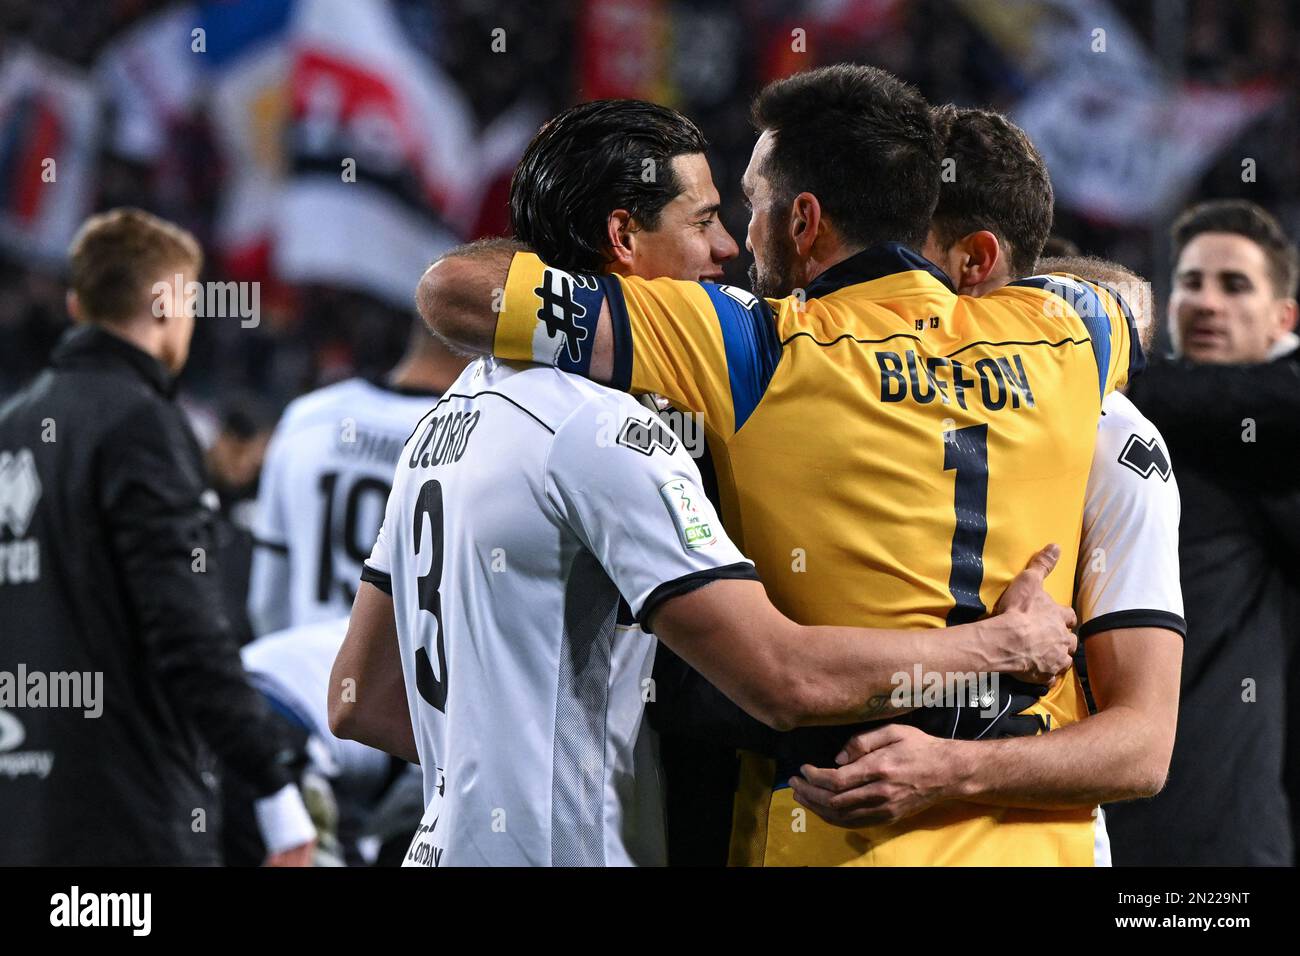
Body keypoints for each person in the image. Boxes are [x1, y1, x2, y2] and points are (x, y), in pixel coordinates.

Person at [419, 65, 1143, 866]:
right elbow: (1127, 299)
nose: (734, 241)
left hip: (844, 827)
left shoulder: (749, 342)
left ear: (803, 221)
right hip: (1043, 841)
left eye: (752, 206)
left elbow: (454, 291)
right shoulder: (1063, 334)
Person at [786, 109, 1183, 867]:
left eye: (898, 251)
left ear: (974, 262)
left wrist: (950, 771)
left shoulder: (1110, 436)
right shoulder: (838, 391)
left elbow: (1142, 748)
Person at [0, 208, 312, 865]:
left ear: (76, 303)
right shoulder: (142, 423)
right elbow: (186, 629)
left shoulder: (13, 426)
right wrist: (271, 780)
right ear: (169, 303)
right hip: (123, 819)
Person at [1105, 199, 1300, 865]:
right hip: (1094, 819)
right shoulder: (1121, 435)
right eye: (1190, 283)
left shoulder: (1270, 446)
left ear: (1285, 320)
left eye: (1234, 284)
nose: (1207, 302)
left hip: (1222, 835)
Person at [247, 318, 467, 636]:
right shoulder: (470, 440)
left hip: (300, 672)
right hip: (398, 681)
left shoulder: (307, 416)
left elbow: (266, 602)